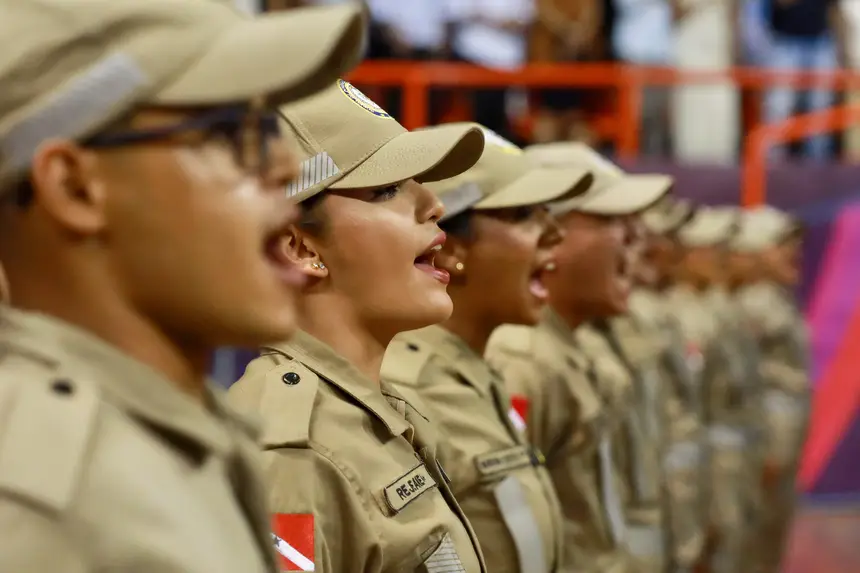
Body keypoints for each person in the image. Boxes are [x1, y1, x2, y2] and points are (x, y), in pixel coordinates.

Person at [0, 0, 367, 570]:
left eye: (270, 126)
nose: (289, 168)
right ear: (74, 188)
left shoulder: (170, 432)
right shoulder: (45, 510)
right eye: (228, 133)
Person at [228, 81, 489, 572]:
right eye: (386, 189)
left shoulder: (372, 412)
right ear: (300, 248)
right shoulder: (292, 454)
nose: (434, 205)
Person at [380, 130, 593, 573]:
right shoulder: (411, 391)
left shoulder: (477, 373)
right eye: (524, 215)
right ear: (452, 248)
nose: (555, 232)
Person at [486, 142, 672, 573]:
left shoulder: (568, 346)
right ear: (550, 233)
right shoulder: (521, 360)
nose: (635, 237)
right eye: (611, 219)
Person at [670, 207, 759, 573]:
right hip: (695, 455)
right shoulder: (678, 313)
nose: (721, 257)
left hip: (718, 448)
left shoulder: (715, 305)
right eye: (711, 248)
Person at [632, 198, 711, 573]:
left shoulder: (663, 307)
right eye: (664, 237)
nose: (674, 248)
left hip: (673, 475)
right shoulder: (632, 312)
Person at [731, 206, 809, 573]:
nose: (793, 252)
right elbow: (741, 381)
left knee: (771, 532)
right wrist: (764, 446)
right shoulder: (751, 303)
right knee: (755, 534)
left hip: (781, 433)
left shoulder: (775, 297)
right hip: (764, 435)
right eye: (781, 245)